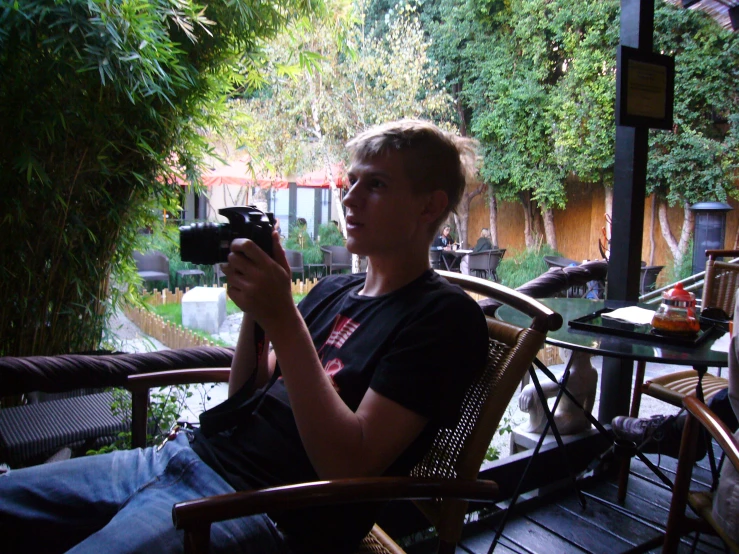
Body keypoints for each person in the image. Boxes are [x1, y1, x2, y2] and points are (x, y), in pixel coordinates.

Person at [0, 120, 488, 554]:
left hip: (259, 507)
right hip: (183, 457)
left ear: (430, 206)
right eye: (352, 180)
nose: (350, 197)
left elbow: (347, 464)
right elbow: (246, 394)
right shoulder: (334, 289)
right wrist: (257, 312)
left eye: (375, 185)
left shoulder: (443, 318)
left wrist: (282, 319)